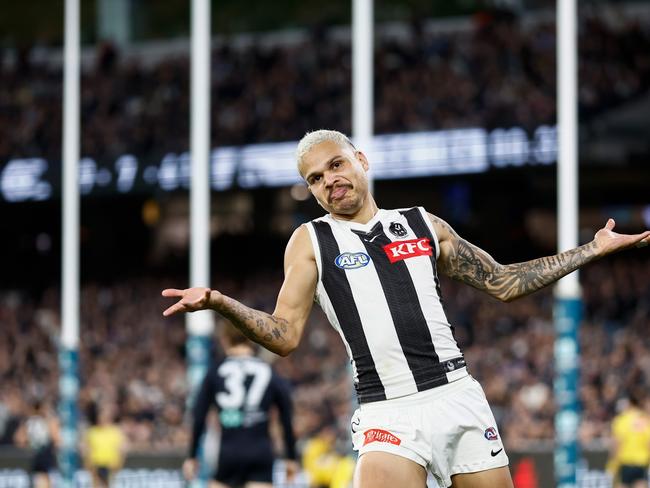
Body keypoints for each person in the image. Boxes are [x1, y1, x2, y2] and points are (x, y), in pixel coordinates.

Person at [163, 130, 650, 488]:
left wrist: (592, 249)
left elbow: (502, 282)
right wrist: (220, 303)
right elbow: (285, 335)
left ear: (360, 159)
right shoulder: (309, 240)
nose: (328, 180)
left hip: (457, 394)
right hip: (387, 409)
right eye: (314, 178)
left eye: (335, 165)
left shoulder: (420, 224)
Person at [183, 323, 299, 488]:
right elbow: (286, 416)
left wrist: (192, 456)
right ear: (252, 339)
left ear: (225, 340)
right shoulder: (269, 371)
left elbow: (199, 416)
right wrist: (291, 458)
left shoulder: (215, 372)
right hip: (261, 452)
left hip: (228, 452)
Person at [607, 390, 650, 488]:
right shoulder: (646, 420)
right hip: (641, 463)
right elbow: (648, 443)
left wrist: (612, 465)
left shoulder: (621, 420)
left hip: (625, 462)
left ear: (629, 403)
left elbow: (616, 444)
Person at [14, 400, 60, 488]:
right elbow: (56, 437)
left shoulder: (29, 421)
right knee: (43, 476)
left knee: (40, 476)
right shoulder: (43, 421)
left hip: (35, 452)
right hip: (43, 452)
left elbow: (19, 440)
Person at [83, 403, 127, 488]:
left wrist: (119, 462)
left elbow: (122, 448)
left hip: (110, 464)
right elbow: (87, 448)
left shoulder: (115, 431)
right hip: (96, 463)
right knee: (96, 485)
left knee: (108, 485)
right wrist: (87, 462)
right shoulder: (92, 431)